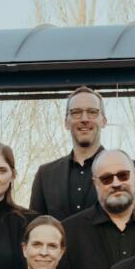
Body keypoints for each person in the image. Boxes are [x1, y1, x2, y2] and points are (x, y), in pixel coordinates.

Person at [59, 150, 135, 269]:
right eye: (107, 179)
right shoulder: (69, 232)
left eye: (123, 175)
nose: (116, 183)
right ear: (95, 183)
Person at [29, 87, 107, 218]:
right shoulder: (45, 174)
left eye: (92, 112)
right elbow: (35, 228)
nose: (84, 119)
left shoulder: (126, 171)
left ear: (104, 121)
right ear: (66, 122)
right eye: (76, 112)